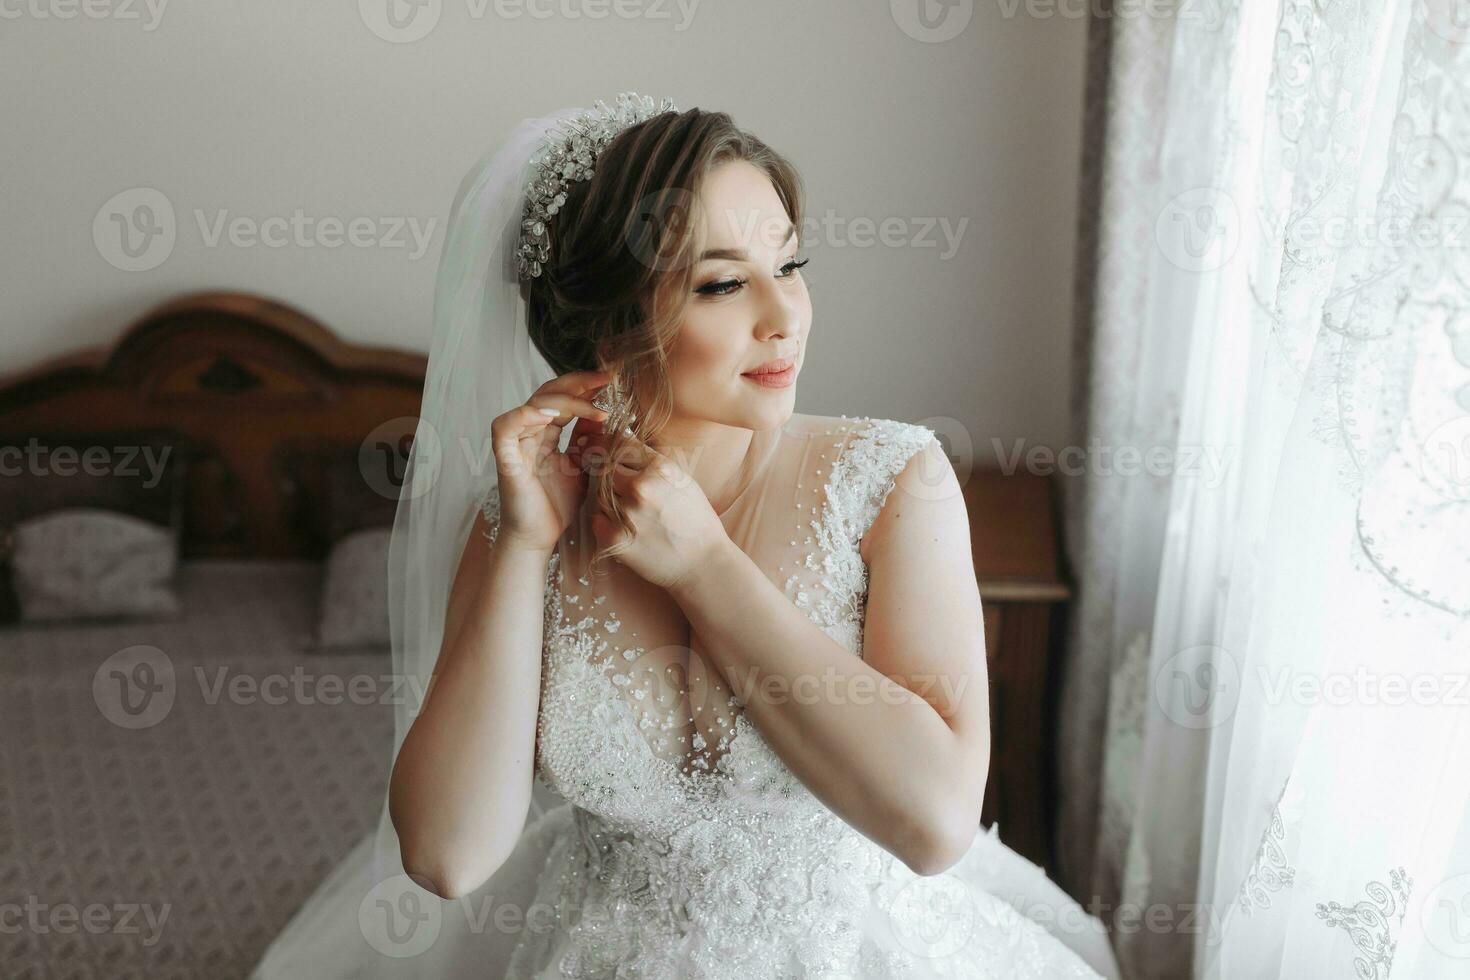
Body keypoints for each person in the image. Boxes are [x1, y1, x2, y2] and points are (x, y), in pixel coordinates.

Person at [250, 92, 1120, 979]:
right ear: (609, 327)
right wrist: (522, 546)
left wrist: (703, 565)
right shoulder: (519, 521)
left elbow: (935, 825)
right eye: (723, 283)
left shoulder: (894, 480)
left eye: (791, 262)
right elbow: (446, 854)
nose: (784, 315)